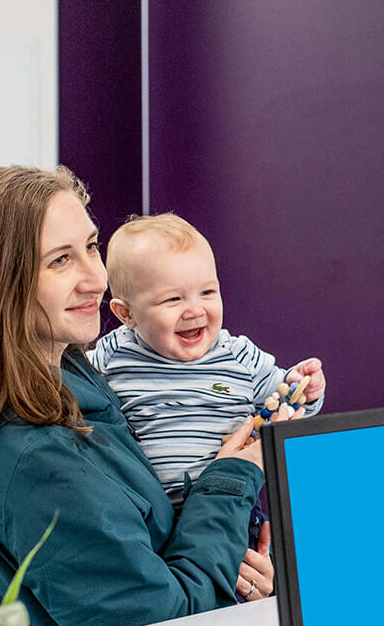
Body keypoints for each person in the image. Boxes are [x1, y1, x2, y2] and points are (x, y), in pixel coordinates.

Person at [0, 166, 287, 626]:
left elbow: (156, 568)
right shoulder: (34, 458)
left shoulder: (75, 387)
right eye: (59, 261)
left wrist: (237, 577)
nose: (97, 279)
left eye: (89, 246)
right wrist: (231, 480)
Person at [87, 213, 326, 509]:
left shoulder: (238, 355)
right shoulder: (114, 353)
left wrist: (305, 387)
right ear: (127, 315)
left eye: (207, 292)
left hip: (230, 512)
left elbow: (287, 404)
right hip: (146, 519)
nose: (194, 310)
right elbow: (63, 386)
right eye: (172, 299)